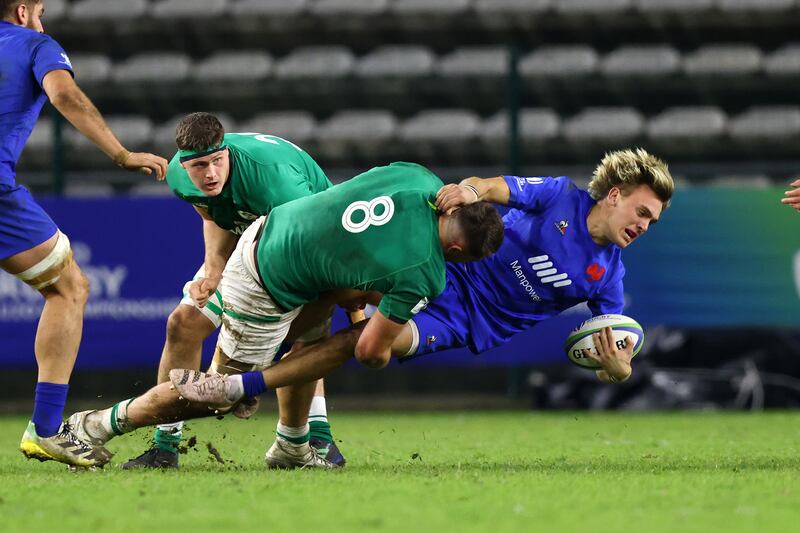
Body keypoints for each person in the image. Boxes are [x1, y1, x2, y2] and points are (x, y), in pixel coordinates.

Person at [167, 148, 673, 417]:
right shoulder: (560, 197)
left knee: (364, 344)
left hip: (459, 320)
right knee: (335, 285)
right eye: (642, 212)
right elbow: (494, 187)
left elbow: (618, 339)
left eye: (652, 222)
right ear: (616, 193)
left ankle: (240, 385)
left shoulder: (608, 276)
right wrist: (468, 190)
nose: (643, 226)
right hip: (445, 268)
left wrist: (618, 370)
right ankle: (261, 398)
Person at [68, 161, 504, 468]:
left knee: (311, 342)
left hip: (275, 231)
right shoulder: (425, 272)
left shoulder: (418, 176)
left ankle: (292, 447)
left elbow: (356, 239)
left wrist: (357, 294)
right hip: (268, 283)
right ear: (457, 252)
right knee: (223, 394)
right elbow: (371, 351)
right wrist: (378, 329)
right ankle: (95, 426)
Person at [120, 112, 346, 470]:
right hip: (249, 238)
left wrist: (254, 365)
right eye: (198, 165)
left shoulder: (276, 184)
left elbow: (311, 241)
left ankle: (315, 438)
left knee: (305, 340)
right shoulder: (180, 175)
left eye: (216, 162)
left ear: (227, 153)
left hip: (308, 245)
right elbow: (213, 214)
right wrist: (213, 267)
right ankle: (164, 447)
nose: (209, 174)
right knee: (182, 323)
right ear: (183, 162)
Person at [1, 0, 168, 468]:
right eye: (38, 8)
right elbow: (65, 96)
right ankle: (47, 428)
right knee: (68, 287)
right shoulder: (35, 44)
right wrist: (122, 154)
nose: (42, 17)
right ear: (22, 10)